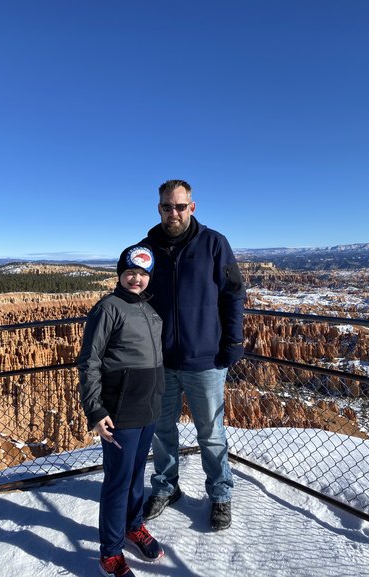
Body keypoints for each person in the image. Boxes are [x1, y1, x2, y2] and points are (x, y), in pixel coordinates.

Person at [141, 179, 246, 531]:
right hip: (159, 361)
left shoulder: (215, 244)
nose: (174, 213)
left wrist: (232, 342)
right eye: (167, 207)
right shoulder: (146, 249)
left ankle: (220, 495)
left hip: (205, 360)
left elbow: (233, 294)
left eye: (180, 206)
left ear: (192, 207)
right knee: (162, 431)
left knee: (211, 433)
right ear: (159, 208)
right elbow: (129, 297)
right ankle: (166, 488)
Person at [78, 244, 165, 577]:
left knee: (136, 476)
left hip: (148, 408)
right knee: (117, 481)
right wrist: (96, 410)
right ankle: (110, 552)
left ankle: (134, 526)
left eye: (143, 274)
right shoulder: (108, 308)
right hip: (119, 411)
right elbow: (89, 361)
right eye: (131, 272)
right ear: (119, 274)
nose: (137, 279)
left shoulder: (148, 308)